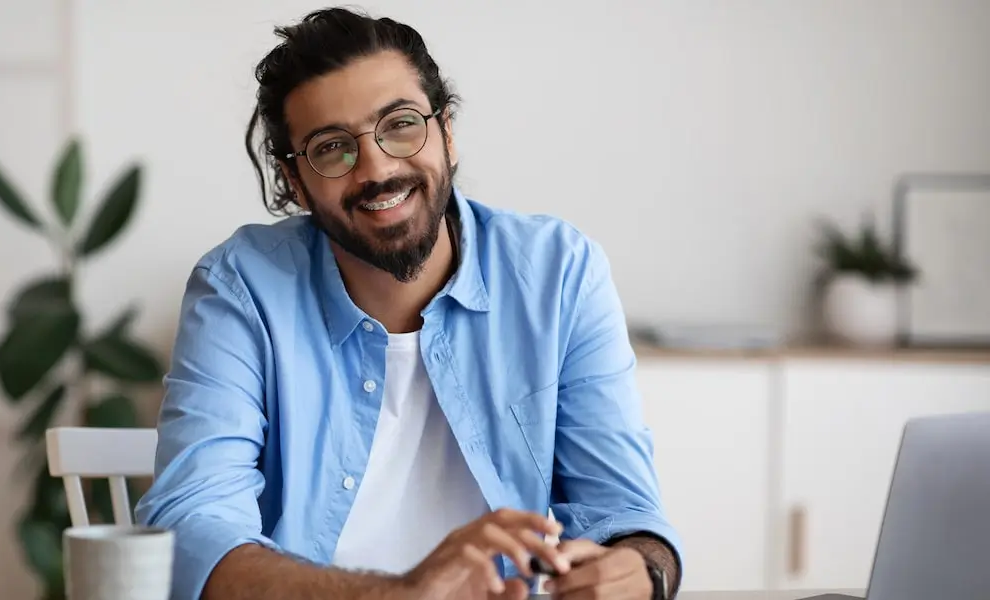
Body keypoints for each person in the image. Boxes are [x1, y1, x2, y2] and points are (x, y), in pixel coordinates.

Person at [136, 6, 682, 600]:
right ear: (295, 183)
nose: (376, 168)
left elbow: (626, 513)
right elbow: (192, 531)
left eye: (400, 125)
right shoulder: (240, 287)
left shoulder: (559, 273)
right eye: (332, 148)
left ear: (446, 130)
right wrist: (397, 593)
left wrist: (643, 571)